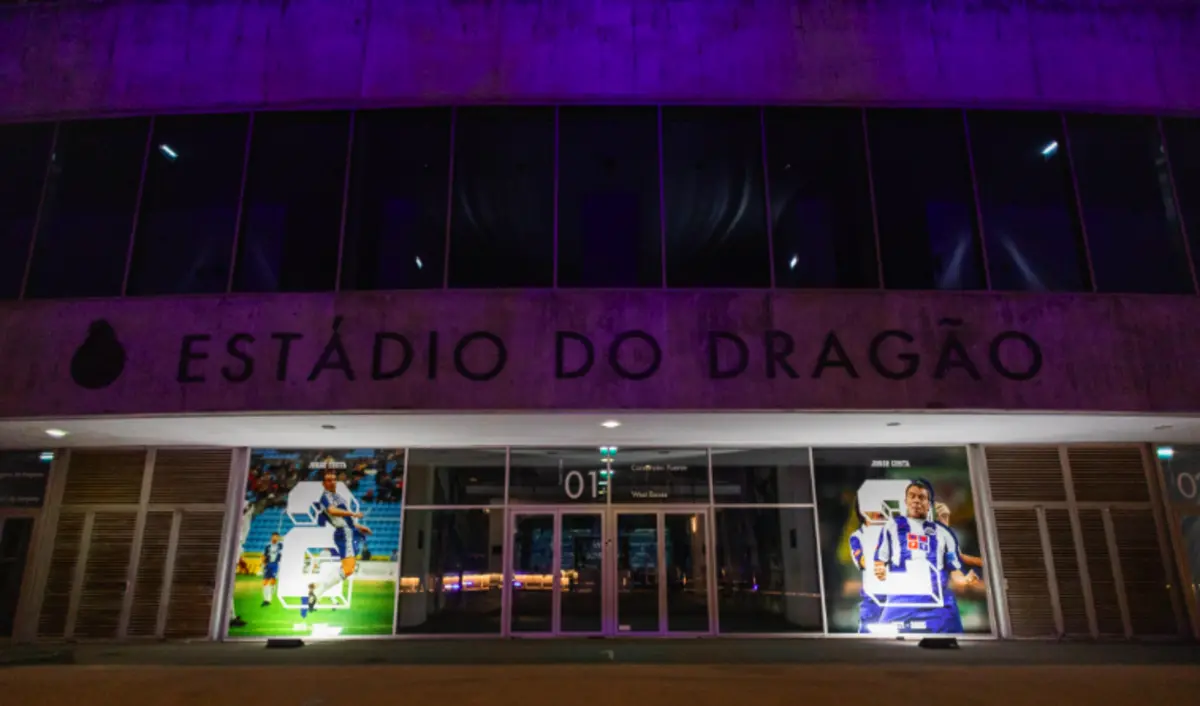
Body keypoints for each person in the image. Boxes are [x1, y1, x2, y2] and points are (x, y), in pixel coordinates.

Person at [873, 479, 978, 633]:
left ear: (929, 504)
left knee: (952, 641)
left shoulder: (944, 533)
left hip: (938, 603)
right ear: (906, 501)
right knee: (885, 640)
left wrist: (964, 580)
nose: (916, 501)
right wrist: (879, 568)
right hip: (902, 601)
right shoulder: (892, 527)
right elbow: (880, 558)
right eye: (912, 496)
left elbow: (954, 569)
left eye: (921, 497)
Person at [305, 469, 373, 613]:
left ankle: (318, 589)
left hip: (349, 531)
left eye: (334, 479)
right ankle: (317, 592)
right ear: (323, 484)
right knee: (348, 569)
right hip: (345, 533)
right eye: (328, 480)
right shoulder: (325, 497)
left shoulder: (339, 497)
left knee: (348, 568)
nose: (332, 482)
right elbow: (332, 511)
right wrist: (353, 513)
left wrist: (359, 526)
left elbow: (346, 519)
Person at [848, 501, 882, 633]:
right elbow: (863, 562)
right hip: (873, 599)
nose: (878, 512)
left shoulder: (893, 532)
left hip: (898, 596)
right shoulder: (857, 537)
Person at [261, 532, 284, 607]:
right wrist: (263, 564)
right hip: (268, 565)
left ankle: (269, 599)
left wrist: (281, 539)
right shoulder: (267, 546)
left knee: (272, 581)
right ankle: (265, 599)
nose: (275, 538)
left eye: (276, 537)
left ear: (278, 538)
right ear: (271, 537)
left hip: (275, 565)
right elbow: (264, 555)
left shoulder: (280, 545)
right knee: (265, 582)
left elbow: (287, 541)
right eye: (273, 537)